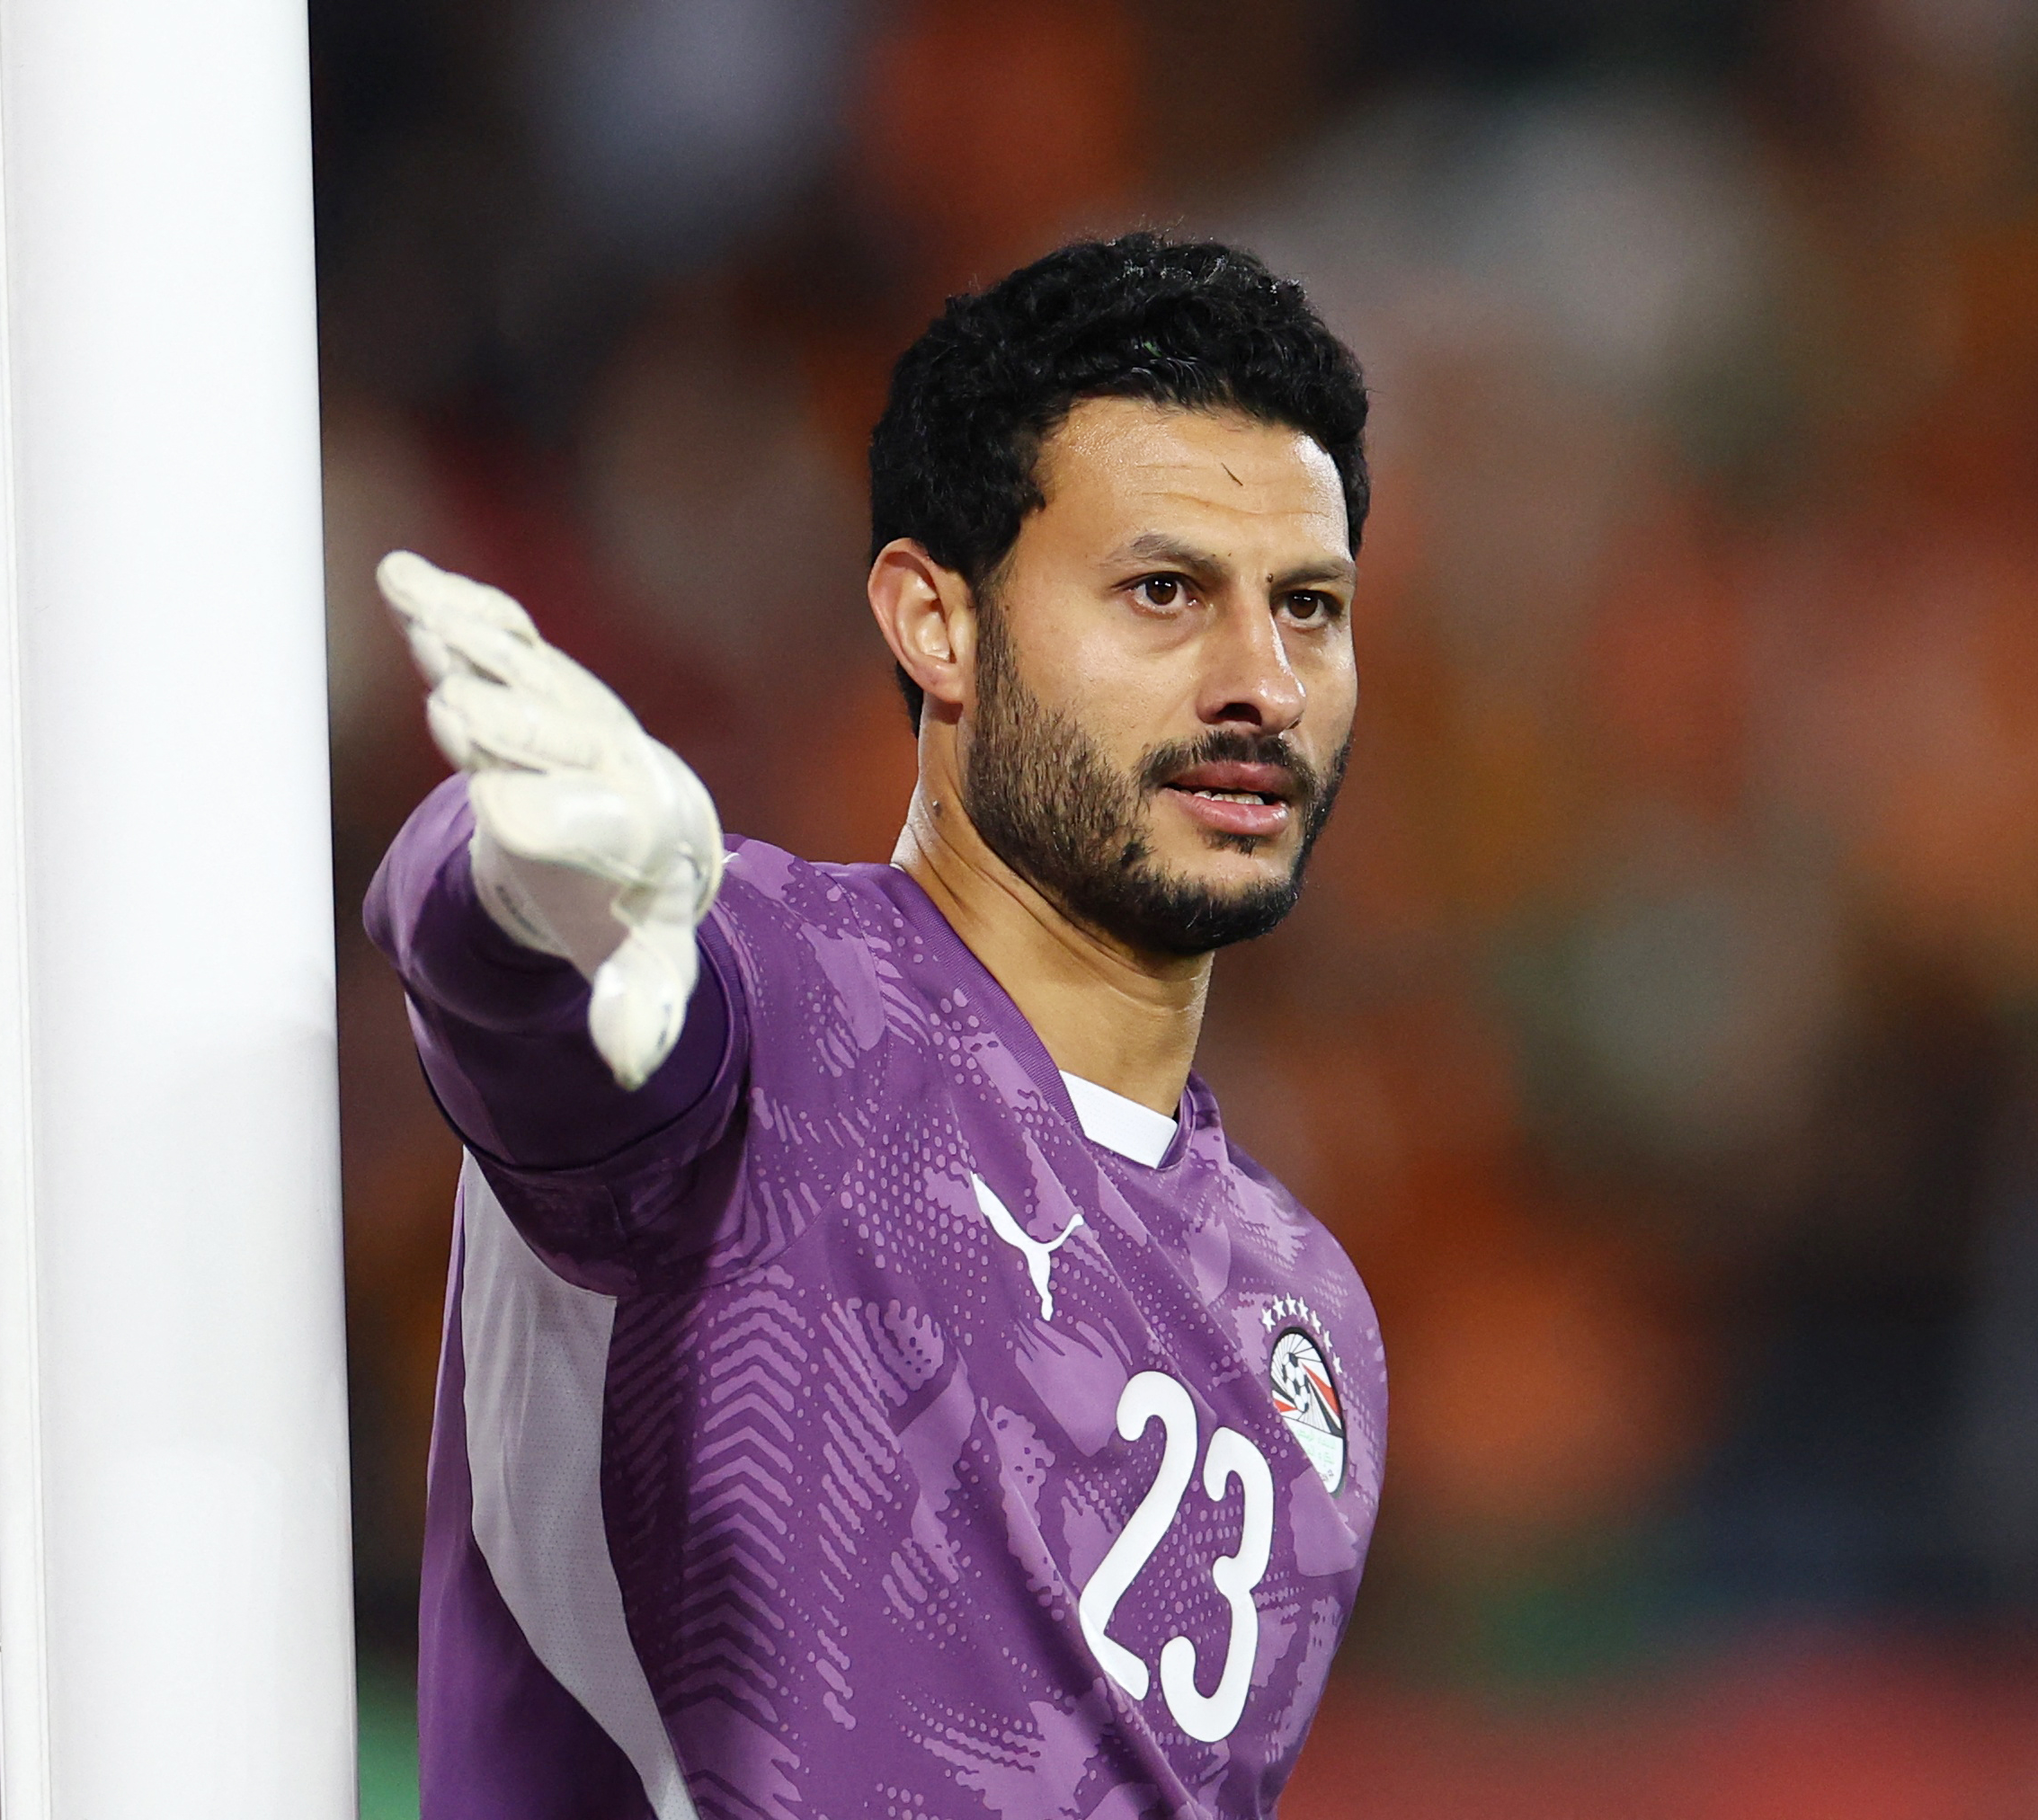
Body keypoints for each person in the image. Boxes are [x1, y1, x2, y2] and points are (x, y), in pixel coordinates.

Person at [366, 232, 1384, 1820]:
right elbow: (533, 1004)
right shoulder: (764, 1001)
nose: (1259, 677)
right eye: (1165, 590)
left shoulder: (1306, 1315)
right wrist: (516, 872)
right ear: (937, 622)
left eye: (1307, 606)